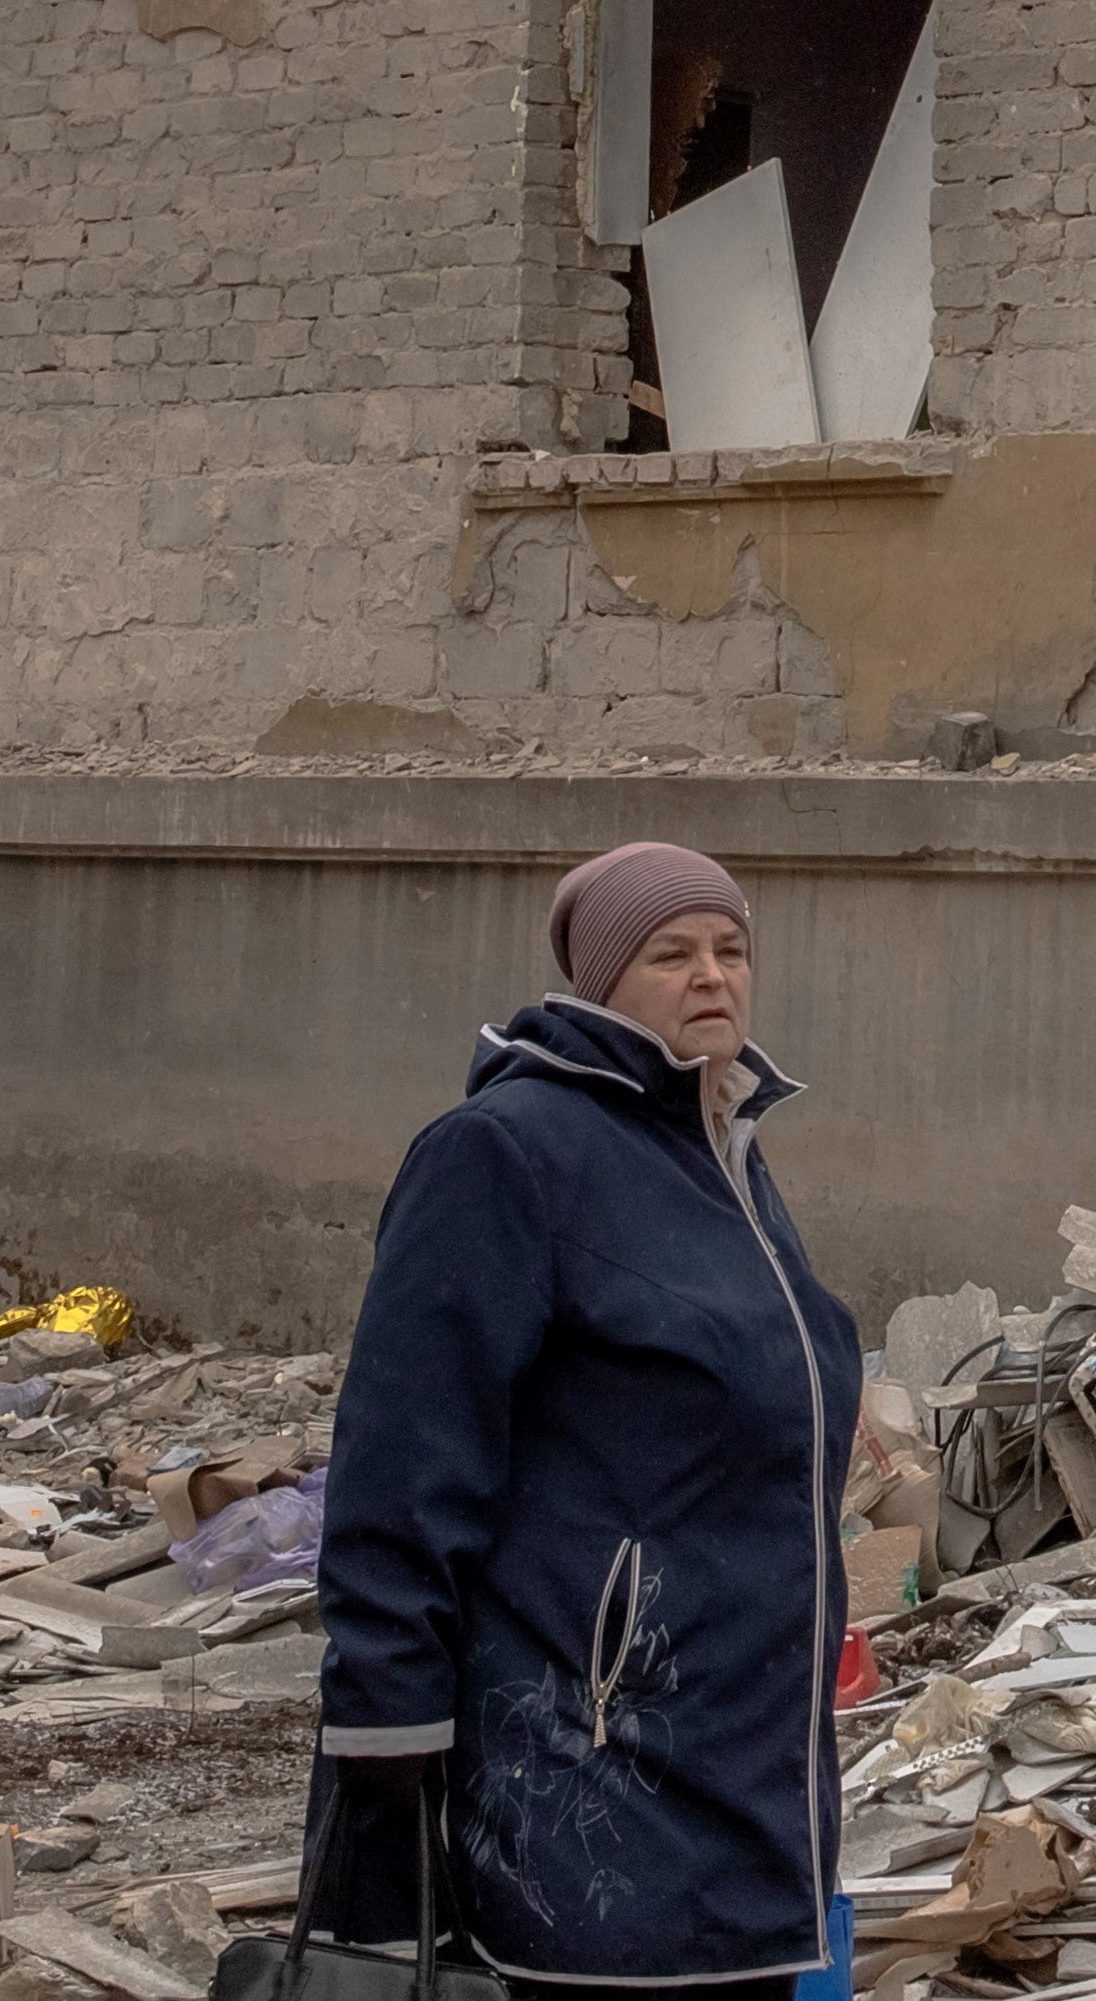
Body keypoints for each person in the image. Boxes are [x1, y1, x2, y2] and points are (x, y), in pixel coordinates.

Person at [311, 842, 861, 1986]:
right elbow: (402, 1461)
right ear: (601, 978)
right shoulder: (506, 1152)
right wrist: (385, 1735)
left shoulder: (723, 1155)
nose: (712, 974)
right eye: (671, 953)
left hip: (748, 1765)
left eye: (731, 947)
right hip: (590, 1766)